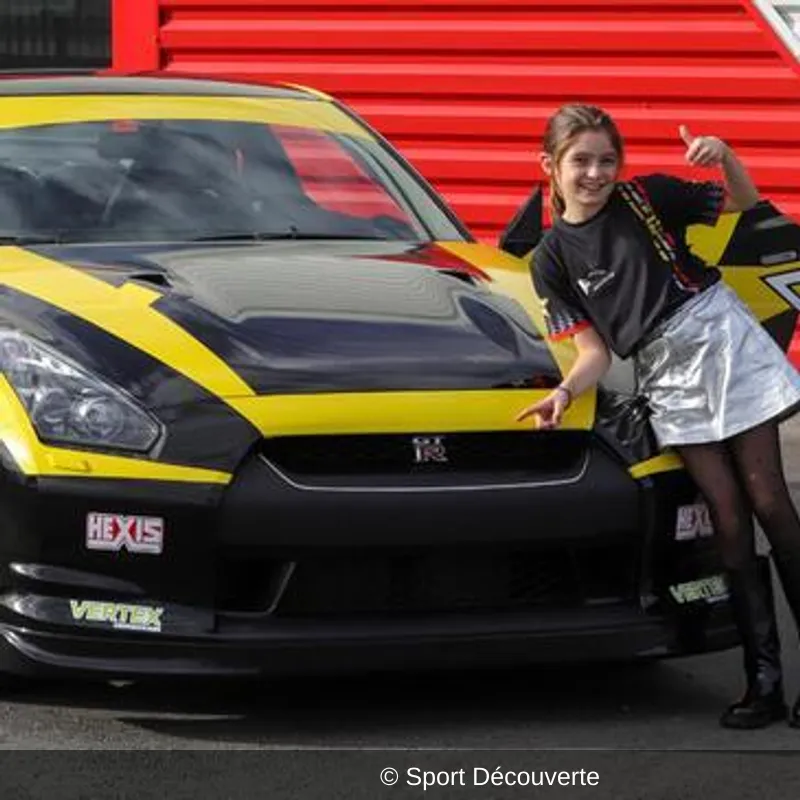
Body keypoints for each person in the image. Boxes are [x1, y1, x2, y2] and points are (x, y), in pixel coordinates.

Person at [515, 103, 800, 730]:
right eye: (581, 161)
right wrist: (564, 392)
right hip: (666, 375)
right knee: (728, 519)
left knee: (770, 503)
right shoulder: (550, 259)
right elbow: (593, 352)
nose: (595, 173)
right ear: (550, 165)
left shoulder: (647, 196)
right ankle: (765, 684)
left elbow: (743, 204)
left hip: (722, 340)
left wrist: (725, 156)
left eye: (606, 160)